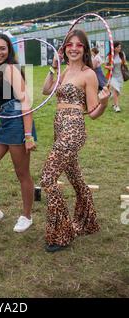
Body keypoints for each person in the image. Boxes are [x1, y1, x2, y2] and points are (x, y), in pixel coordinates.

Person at [41, 29, 110, 253]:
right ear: (64, 48)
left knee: (48, 178)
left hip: (73, 129)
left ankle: (62, 232)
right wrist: (53, 66)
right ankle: (88, 221)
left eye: (79, 45)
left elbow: (92, 112)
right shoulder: (62, 71)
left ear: (85, 49)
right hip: (59, 127)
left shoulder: (88, 74)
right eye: (69, 44)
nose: (73, 48)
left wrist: (104, 102)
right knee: (76, 179)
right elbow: (45, 90)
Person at [0, 34, 37, 233]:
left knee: (22, 173)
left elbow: (25, 102)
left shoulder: (11, 69)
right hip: (5, 121)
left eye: (3, 48)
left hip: (18, 122)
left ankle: (27, 216)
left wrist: (28, 135)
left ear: (9, 51)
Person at [105, 41, 127, 112]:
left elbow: (124, 62)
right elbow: (105, 65)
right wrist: (109, 67)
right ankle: (117, 106)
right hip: (113, 76)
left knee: (117, 92)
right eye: (118, 47)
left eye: (120, 47)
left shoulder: (122, 54)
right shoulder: (110, 56)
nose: (119, 48)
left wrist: (124, 63)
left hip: (120, 76)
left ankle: (113, 102)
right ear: (114, 48)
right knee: (115, 90)